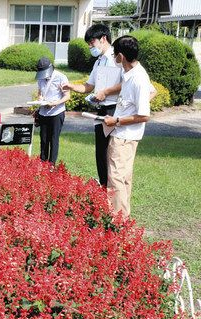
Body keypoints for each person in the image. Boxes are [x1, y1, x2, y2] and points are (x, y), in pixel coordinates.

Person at [62, 24, 122, 187]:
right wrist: (72, 86)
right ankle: (104, 185)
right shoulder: (98, 62)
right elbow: (89, 86)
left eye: (91, 42)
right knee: (100, 152)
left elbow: (126, 83)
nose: (90, 46)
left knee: (111, 153)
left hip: (113, 109)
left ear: (104, 39)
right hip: (100, 110)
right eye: (88, 43)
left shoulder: (117, 58)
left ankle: (111, 188)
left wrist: (106, 92)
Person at [102, 35, 154, 218]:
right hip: (125, 134)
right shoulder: (131, 73)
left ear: (121, 56)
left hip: (125, 136)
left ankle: (118, 221)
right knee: (123, 178)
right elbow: (152, 92)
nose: (114, 58)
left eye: (115, 54)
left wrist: (116, 121)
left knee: (116, 178)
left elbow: (144, 115)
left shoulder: (138, 78)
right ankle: (122, 218)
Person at [34, 57, 70, 164]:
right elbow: (40, 93)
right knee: (44, 139)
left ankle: (51, 164)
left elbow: (67, 96)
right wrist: (40, 99)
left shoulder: (61, 77)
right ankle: (43, 161)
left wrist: (54, 103)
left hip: (57, 113)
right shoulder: (41, 78)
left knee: (54, 139)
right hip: (43, 112)